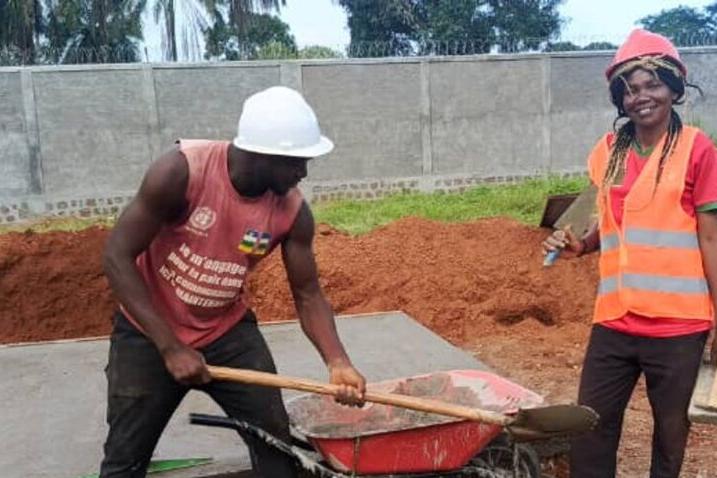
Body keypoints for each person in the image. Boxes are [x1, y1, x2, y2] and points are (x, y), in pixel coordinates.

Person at [99, 86, 366, 478]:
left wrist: (338, 361)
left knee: (276, 446)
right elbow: (117, 256)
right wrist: (170, 347)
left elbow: (308, 294)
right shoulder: (180, 172)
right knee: (125, 460)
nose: (303, 173)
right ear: (262, 154)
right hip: (148, 332)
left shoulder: (293, 211)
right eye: (296, 162)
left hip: (226, 332)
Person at [542, 29, 717, 478]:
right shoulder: (607, 152)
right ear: (620, 98)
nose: (641, 97)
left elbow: (711, 239)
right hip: (615, 319)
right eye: (630, 89)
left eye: (652, 85)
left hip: (678, 324)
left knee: (670, 434)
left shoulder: (696, 149)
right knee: (591, 427)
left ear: (674, 88)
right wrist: (582, 244)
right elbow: (611, 220)